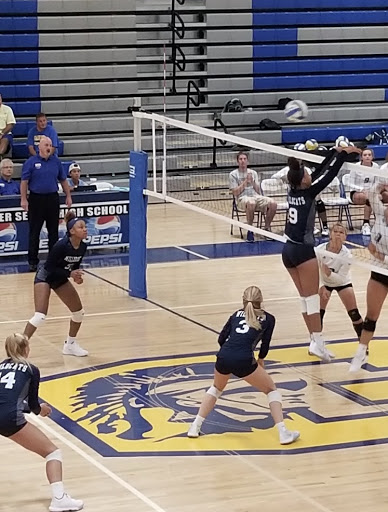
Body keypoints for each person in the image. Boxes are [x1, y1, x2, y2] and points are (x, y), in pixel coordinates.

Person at [187, 286, 300, 445]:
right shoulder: (268, 319)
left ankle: (194, 426)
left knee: (216, 388)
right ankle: (283, 433)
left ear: (243, 300)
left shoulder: (235, 315)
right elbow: (265, 345)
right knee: (271, 390)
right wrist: (260, 360)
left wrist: (229, 352)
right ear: (261, 301)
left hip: (224, 356)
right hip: (243, 359)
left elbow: (221, 338)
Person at [281, 145, 361, 362]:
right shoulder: (309, 191)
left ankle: (316, 342)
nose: (310, 174)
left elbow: (318, 170)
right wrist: (342, 155)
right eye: (307, 173)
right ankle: (317, 342)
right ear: (304, 180)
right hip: (302, 250)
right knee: (312, 299)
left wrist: (334, 152)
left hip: (287, 250)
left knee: (305, 300)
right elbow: (330, 172)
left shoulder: (294, 189)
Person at [0, 333, 83, 511]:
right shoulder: (31, 369)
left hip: (4, 413)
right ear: (26, 349)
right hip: (9, 419)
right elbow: (32, 404)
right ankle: (59, 499)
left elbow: (5, 398)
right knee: (53, 453)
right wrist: (41, 410)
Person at [23, 210, 89, 357]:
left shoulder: (83, 247)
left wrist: (77, 277)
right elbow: (50, 268)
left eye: (85, 226)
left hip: (60, 278)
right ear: (72, 231)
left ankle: (70, 345)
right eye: (80, 227)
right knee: (40, 316)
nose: (85, 229)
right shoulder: (61, 246)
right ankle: (20, 347)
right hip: (45, 277)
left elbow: (73, 267)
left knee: (78, 313)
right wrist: (69, 274)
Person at [350, 179, 388, 371]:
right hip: (380, 273)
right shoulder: (381, 216)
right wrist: (384, 180)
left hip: (383, 265)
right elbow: (373, 192)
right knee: (371, 316)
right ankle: (361, 353)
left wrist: (380, 255)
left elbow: (374, 249)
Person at [20, 136, 72, 272]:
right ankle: (32, 261)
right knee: (34, 232)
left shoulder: (56, 162)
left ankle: (53, 260)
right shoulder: (31, 162)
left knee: (53, 232)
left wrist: (68, 196)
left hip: (52, 199)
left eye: (50, 145)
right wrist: (24, 199)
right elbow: (24, 181)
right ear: (39, 147)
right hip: (36, 199)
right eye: (46, 145)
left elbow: (63, 180)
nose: (49, 147)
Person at [316, 223, 363, 340]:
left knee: (354, 313)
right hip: (325, 283)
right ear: (330, 235)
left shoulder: (347, 255)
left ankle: (363, 343)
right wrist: (321, 285)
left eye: (341, 232)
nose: (338, 234)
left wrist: (329, 273)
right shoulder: (319, 250)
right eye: (335, 231)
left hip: (342, 283)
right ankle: (316, 342)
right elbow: (314, 271)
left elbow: (341, 278)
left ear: (345, 237)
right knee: (317, 314)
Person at [230, 151, 277, 242]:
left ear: (248, 161)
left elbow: (258, 190)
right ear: (237, 162)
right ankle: (250, 230)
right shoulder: (233, 174)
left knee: (273, 203)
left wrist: (252, 182)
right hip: (242, 199)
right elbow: (235, 193)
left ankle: (266, 229)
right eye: (240, 159)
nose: (243, 161)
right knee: (251, 203)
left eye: (244, 159)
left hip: (255, 196)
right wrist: (245, 182)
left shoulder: (253, 173)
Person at [272, 162, 330, 236]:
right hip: (302, 195)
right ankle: (310, 226)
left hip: (303, 193)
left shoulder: (306, 170)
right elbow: (274, 177)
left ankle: (324, 226)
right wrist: (287, 179)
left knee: (318, 202)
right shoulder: (287, 170)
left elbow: (315, 176)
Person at [349, 148, 380, 236]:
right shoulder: (355, 167)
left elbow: (378, 182)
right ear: (361, 157)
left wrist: (372, 190)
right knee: (371, 198)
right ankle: (365, 224)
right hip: (356, 193)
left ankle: (379, 222)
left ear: (372, 157)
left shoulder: (376, 167)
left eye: (369, 155)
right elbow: (350, 184)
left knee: (374, 197)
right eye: (365, 155)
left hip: (371, 192)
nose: (367, 157)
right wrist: (361, 190)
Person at [0, 93, 16, 158]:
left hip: (5, 134)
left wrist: (1, 133)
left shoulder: (7, 109)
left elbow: (10, 124)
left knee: (5, 140)